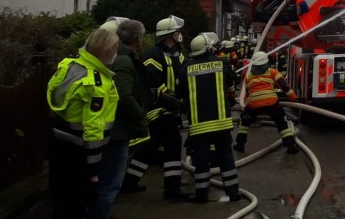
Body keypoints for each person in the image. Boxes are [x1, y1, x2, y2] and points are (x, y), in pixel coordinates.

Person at [46, 29, 120, 219]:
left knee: (61, 204)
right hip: (80, 155)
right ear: (108, 50)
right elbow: (93, 130)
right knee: (77, 207)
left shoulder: (69, 64)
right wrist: (93, 172)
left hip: (58, 146)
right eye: (115, 48)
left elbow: (53, 92)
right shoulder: (97, 82)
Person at [87, 19, 153, 219]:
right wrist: (140, 114)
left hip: (105, 131)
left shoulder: (116, 58)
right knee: (109, 185)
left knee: (102, 183)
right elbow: (123, 95)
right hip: (115, 133)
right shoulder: (124, 61)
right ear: (138, 38)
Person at [120, 15, 188, 201]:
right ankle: (172, 190)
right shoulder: (154, 55)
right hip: (157, 110)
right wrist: (166, 96)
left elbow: (182, 79)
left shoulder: (177, 54)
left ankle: (129, 182)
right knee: (173, 143)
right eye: (177, 31)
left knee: (150, 148)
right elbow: (150, 82)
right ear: (170, 34)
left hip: (171, 109)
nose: (179, 34)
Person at [178, 32, 241, 203]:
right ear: (208, 48)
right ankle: (233, 193)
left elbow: (181, 93)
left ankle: (201, 195)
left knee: (201, 162)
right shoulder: (223, 63)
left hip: (199, 125)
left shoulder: (185, 68)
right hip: (221, 122)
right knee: (226, 158)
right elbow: (231, 81)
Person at [234, 51, 299, 154]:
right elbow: (284, 87)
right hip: (271, 103)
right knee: (281, 122)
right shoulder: (273, 72)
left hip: (253, 104)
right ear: (266, 63)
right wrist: (294, 98)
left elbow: (247, 92)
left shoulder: (248, 76)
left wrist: (247, 108)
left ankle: (240, 144)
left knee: (244, 121)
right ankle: (291, 145)